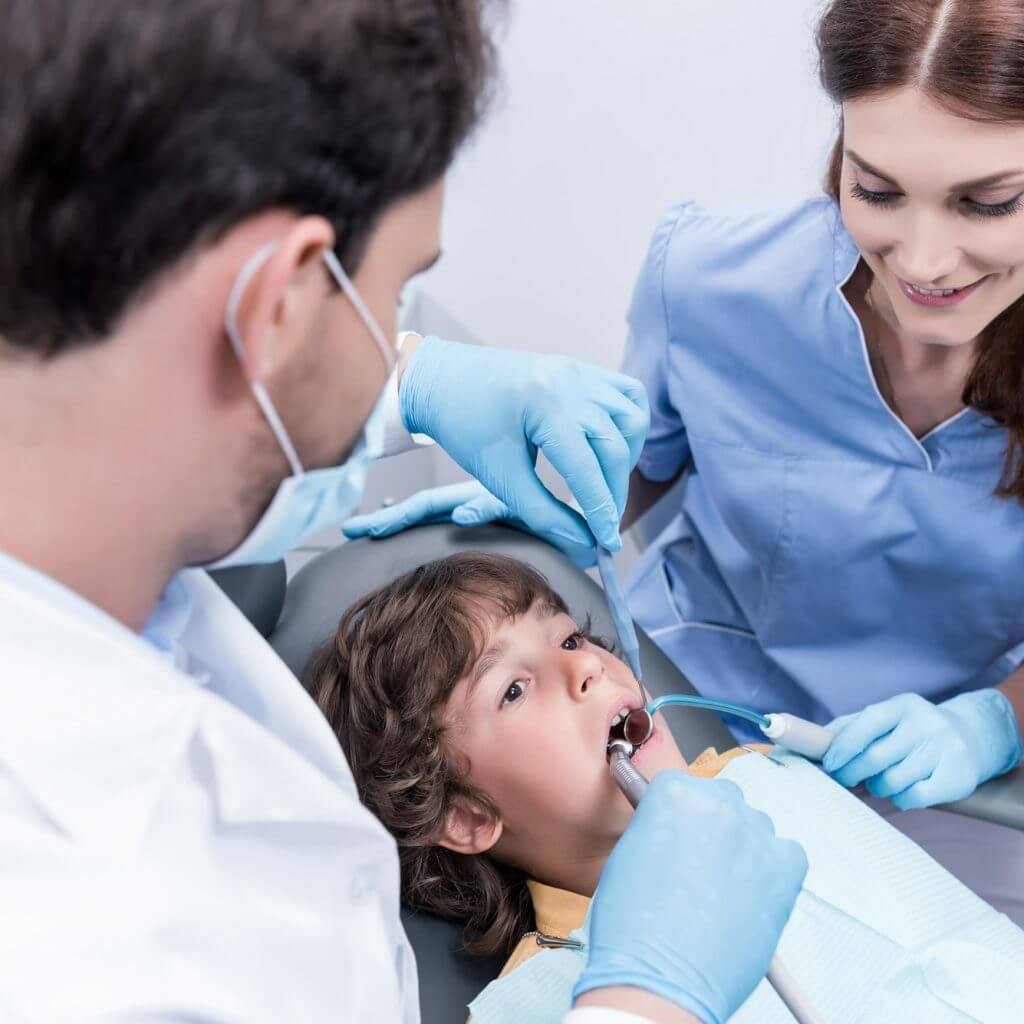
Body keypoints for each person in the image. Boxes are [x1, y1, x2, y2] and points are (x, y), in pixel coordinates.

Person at [0, 2, 807, 1022]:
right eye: (396, 301)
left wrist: (411, 383)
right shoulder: (70, 929)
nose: (400, 343)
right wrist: (648, 999)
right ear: (277, 305)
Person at [346, 0, 1024, 922]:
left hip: (952, 789)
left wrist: (995, 723)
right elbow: (639, 469)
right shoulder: (714, 280)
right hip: (693, 705)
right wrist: (544, 496)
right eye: (876, 191)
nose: (925, 258)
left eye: (988, 203)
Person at [313, 550, 1024, 1023]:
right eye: (514, 689)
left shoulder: (769, 772)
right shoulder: (538, 1000)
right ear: (466, 817)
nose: (586, 668)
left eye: (568, 638)